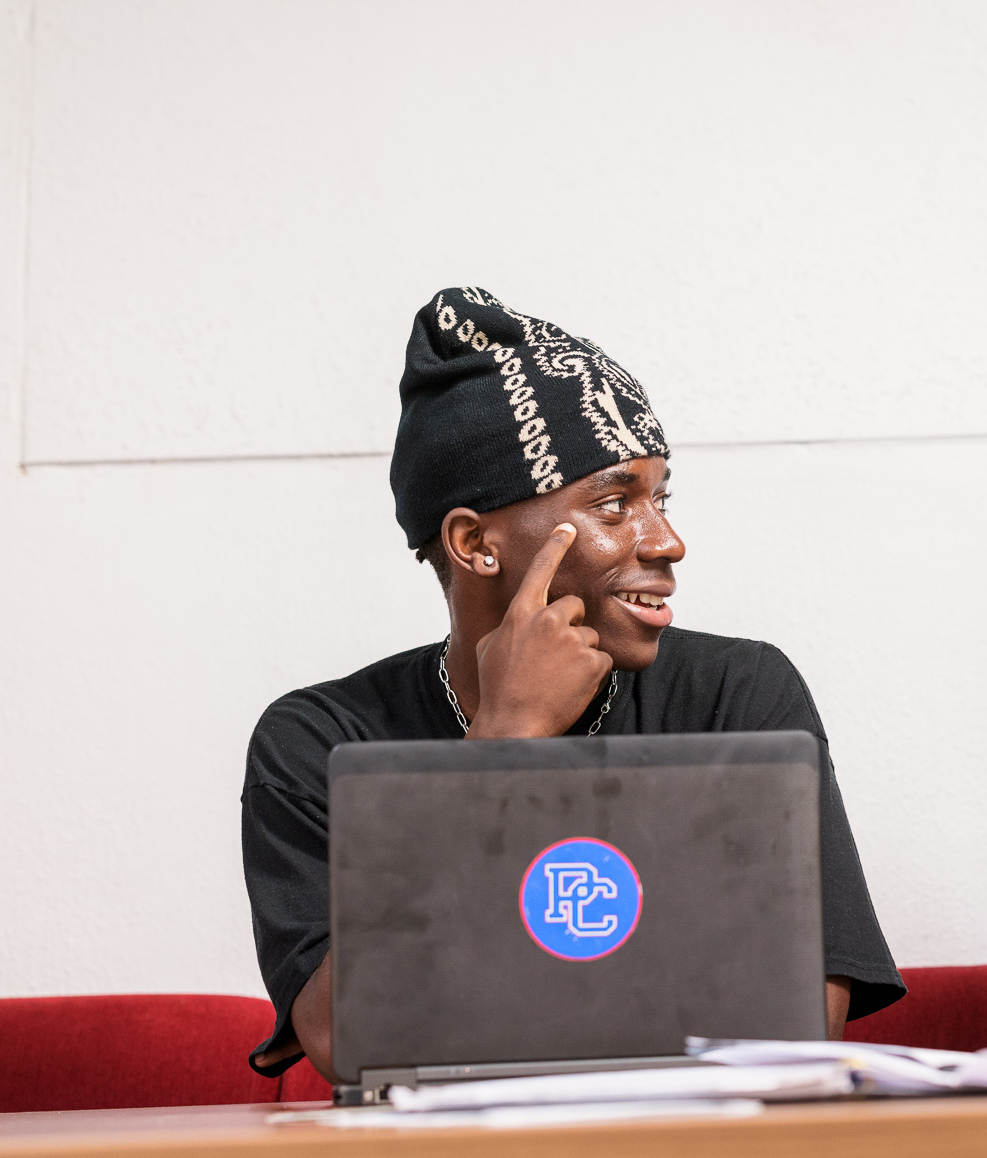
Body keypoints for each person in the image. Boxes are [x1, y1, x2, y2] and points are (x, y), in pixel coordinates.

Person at [242, 287, 903, 1081]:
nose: (668, 540)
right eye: (615, 503)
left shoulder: (737, 695)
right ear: (475, 544)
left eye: (660, 498)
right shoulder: (321, 740)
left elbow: (803, 1021)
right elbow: (342, 1039)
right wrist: (503, 744)